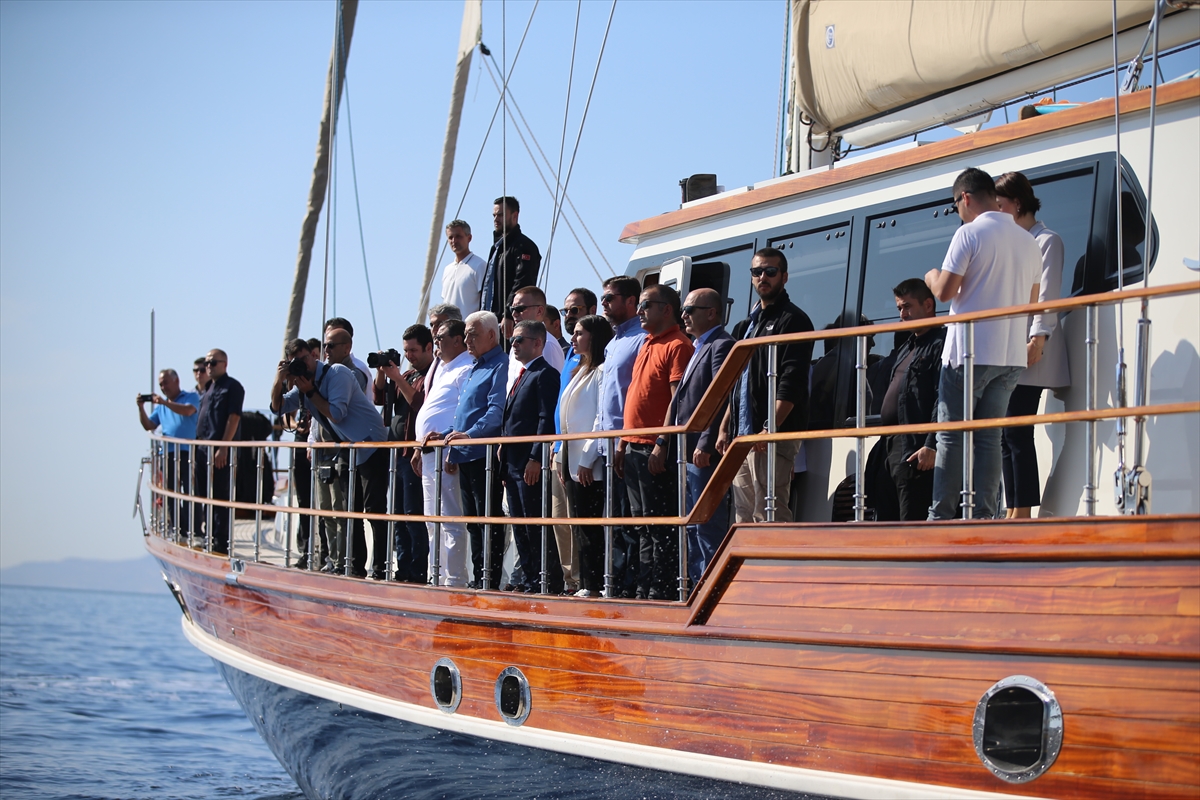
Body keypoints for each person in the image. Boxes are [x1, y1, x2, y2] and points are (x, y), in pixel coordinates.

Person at [924, 167, 1041, 521]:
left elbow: (945, 292)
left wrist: (931, 276)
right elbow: (1032, 304)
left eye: (955, 205)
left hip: (968, 353)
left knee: (951, 436)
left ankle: (941, 517)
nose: (958, 212)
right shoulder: (1029, 241)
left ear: (965, 198)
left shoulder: (968, 233)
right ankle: (985, 514)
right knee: (990, 438)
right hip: (1009, 354)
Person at [271, 336, 389, 579]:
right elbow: (277, 407)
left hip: (372, 445)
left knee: (374, 511)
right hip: (349, 449)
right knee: (349, 511)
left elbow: (337, 413)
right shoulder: (303, 384)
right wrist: (279, 379)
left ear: (314, 356)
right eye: (295, 362)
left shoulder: (337, 374)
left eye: (304, 359)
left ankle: (380, 569)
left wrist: (310, 392)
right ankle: (354, 568)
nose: (302, 365)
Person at [717, 248, 815, 524]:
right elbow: (739, 382)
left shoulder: (793, 320)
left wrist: (770, 427)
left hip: (771, 434)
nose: (763, 277)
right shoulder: (746, 326)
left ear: (784, 277)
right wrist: (725, 426)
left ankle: (779, 556)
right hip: (742, 436)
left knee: (770, 512)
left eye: (770, 271)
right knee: (743, 516)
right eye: (757, 271)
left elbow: (792, 381)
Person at [995, 171, 1070, 518]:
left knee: (1016, 430)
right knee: (1006, 432)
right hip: (1010, 350)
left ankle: (1022, 511)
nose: (996, 212)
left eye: (1000, 205)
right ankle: (1014, 508)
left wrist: (1037, 338)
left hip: (1030, 348)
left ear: (1017, 203)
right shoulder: (1016, 244)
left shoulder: (1047, 240)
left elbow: (1047, 295)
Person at [619, 284, 692, 600]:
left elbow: (678, 400)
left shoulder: (678, 345)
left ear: (667, 308)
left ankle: (660, 589)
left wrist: (663, 442)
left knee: (658, 524)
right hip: (634, 446)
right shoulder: (647, 343)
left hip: (655, 447)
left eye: (646, 305)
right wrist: (622, 443)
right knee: (641, 524)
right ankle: (644, 585)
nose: (639, 312)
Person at [668, 288, 734, 585]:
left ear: (711, 313)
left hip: (702, 452)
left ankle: (712, 587)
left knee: (707, 524)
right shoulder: (699, 346)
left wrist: (706, 442)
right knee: (692, 525)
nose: (683, 315)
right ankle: (698, 585)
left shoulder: (721, 344)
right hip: (686, 450)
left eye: (690, 310)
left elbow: (721, 394)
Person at [440, 311, 508, 590]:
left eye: (472, 334)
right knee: (473, 522)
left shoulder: (500, 365)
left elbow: (495, 411)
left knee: (487, 520)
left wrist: (469, 435)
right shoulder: (475, 367)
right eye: (466, 334)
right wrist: (446, 437)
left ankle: (489, 579)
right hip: (466, 454)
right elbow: (464, 415)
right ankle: (480, 577)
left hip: (484, 456)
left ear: (491, 335)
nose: (466, 339)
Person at [872, 279, 946, 521]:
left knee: (911, 524)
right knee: (886, 523)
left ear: (928, 305)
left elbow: (943, 397)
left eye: (907, 307)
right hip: (889, 445)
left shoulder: (941, 344)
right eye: (899, 308)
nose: (902, 314)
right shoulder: (906, 346)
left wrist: (932, 443)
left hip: (915, 447)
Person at [592, 275, 646, 597]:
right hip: (607, 446)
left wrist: (624, 442)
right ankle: (614, 583)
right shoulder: (612, 344)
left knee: (630, 520)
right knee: (613, 519)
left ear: (631, 301)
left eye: (610, 298)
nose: (604, 304)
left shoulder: (641, 340)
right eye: (603, 298)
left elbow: (636, 397)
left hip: (629, 445)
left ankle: (631, 586)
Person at [501, 320, 562, 594]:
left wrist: (536, 457)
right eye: (512, 340)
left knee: (534, 523)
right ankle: (529, 578)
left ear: (537, 343)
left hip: (529, 461)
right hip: (513, 461)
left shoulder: (545, 374)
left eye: (519, 340)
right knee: (519, 524)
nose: (513, 345)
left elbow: (544, 418)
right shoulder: (522, 374)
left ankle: (544, 580)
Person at [413, 320, 474, 587]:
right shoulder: (442, 368)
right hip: (429, 452)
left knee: (450, 518)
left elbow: (463, 412)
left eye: (440, 338)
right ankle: (436, 575)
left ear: (457, 340)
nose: (436, 342)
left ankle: (455, 579)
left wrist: (453, 450)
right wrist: (419, 446)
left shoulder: (466, 366)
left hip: (447, 452)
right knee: (432, 519)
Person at [374, 324, 435, 583]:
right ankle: (403, 569)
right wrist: (382, 374)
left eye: (413, 350)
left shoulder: (431, 374)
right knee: (398, 516)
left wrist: (397, 378)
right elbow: (379, 399)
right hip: (397, 454)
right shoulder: (408, 374)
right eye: (406, 351)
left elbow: (419, 403)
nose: (409, 356)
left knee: (413, 515)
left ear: (428, 348)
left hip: (413, 454)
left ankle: (418, 571)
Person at [558, 314, 613, 597]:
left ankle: (597, 583)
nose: (574, 338)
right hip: (571, 456)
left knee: (591, 524)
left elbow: (599, 418)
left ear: (595, 336)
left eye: (580, 333)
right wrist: (563, 457)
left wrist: (586, 459)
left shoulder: (601, 372)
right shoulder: (580, 370)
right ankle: (587, 582)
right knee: (579, 522)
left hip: (589, 462)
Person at [137, 368, 200, 537]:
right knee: (171, 493)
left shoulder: (190, 397)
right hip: (169, 454)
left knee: (190, 492)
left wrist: (165, 403)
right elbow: (149, 425)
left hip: (187, 452)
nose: (163, 387)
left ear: (176, 381)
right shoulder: (161, 406)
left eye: (165, 383)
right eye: (160, 384)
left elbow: (188, 410)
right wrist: (141, 408)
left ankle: (194, 530)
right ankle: (179, 529)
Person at [193, 349, 244, 554]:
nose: (208, 366)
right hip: (203, 450)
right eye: (206, 363)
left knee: (220, 496)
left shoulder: (233, 387)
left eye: (213, 363)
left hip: (219, 450)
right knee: (205, 495)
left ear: (224, 364)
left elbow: (234, 417)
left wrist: (223, 446)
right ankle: (209, 535)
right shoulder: (208, 388)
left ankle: (221, 542)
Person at [481, 196, 541, 321]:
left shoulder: (525, 246)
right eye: (494, 215)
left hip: (511, 320)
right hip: (491, 319)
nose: (496, 219)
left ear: (515, 216)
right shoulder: (496, 248)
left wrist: (508, 313)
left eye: (500, 215)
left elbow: (523, 283)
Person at [506, 286, 565, 384]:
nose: (514, 314)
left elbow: (551, 386)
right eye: (512, 309)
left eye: (520, 308)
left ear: (539, 311)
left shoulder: (548, 344)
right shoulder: (515, 343)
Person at [439, 219, 487, 314]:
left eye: (458, 236)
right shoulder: (447, 269)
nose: (454, 241)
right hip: (448, 323)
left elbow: (485, 301)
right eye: (450, 237)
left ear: (469, 238)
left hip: (468, 323)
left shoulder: (479, 265)